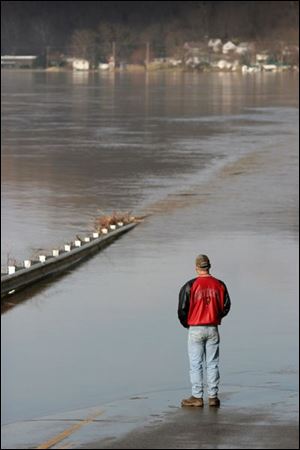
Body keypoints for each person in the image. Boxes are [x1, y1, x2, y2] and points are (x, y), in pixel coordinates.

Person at [178, 254, 231, 407]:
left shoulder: (190, 285)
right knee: (213, 363)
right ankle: (213, 397)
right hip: (213, 328)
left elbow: (182, 309)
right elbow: (226, 306)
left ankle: (197, 397)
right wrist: (216, 316)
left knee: (196, 364)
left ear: (196, 268)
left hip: (195, 328)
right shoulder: (219, 285)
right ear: (209, 266)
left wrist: (188, 324)